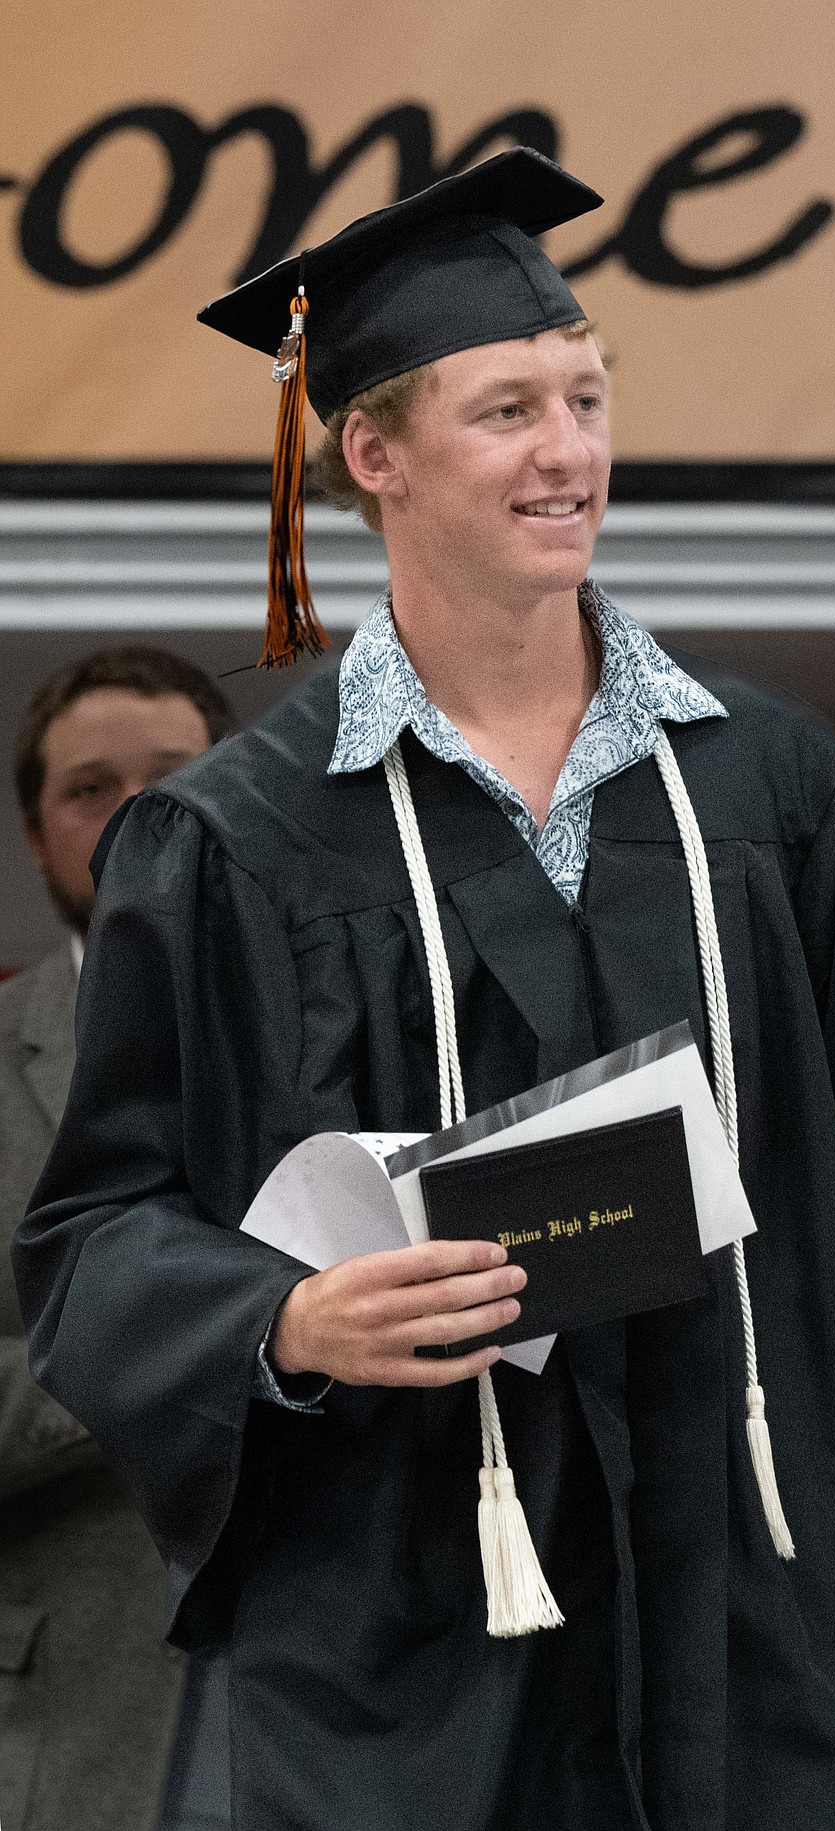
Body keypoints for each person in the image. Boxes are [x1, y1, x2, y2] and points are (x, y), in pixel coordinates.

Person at [14, 150, 835, 1831]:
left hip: (759, 1602)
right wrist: (278, 1319)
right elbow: (95, 1232)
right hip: (413, 1625)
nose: (569, 450)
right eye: (510, 406)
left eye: (587, 397)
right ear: (374, 454)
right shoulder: (231, 839)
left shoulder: (766, 789)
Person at [0, 647, 233, 1831]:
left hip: (363, 1692)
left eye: (175, 777)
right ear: (37, 838)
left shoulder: (373, 1021)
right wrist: (165, 1352)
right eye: (89, 788)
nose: (136, 812)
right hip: (66, 1724)